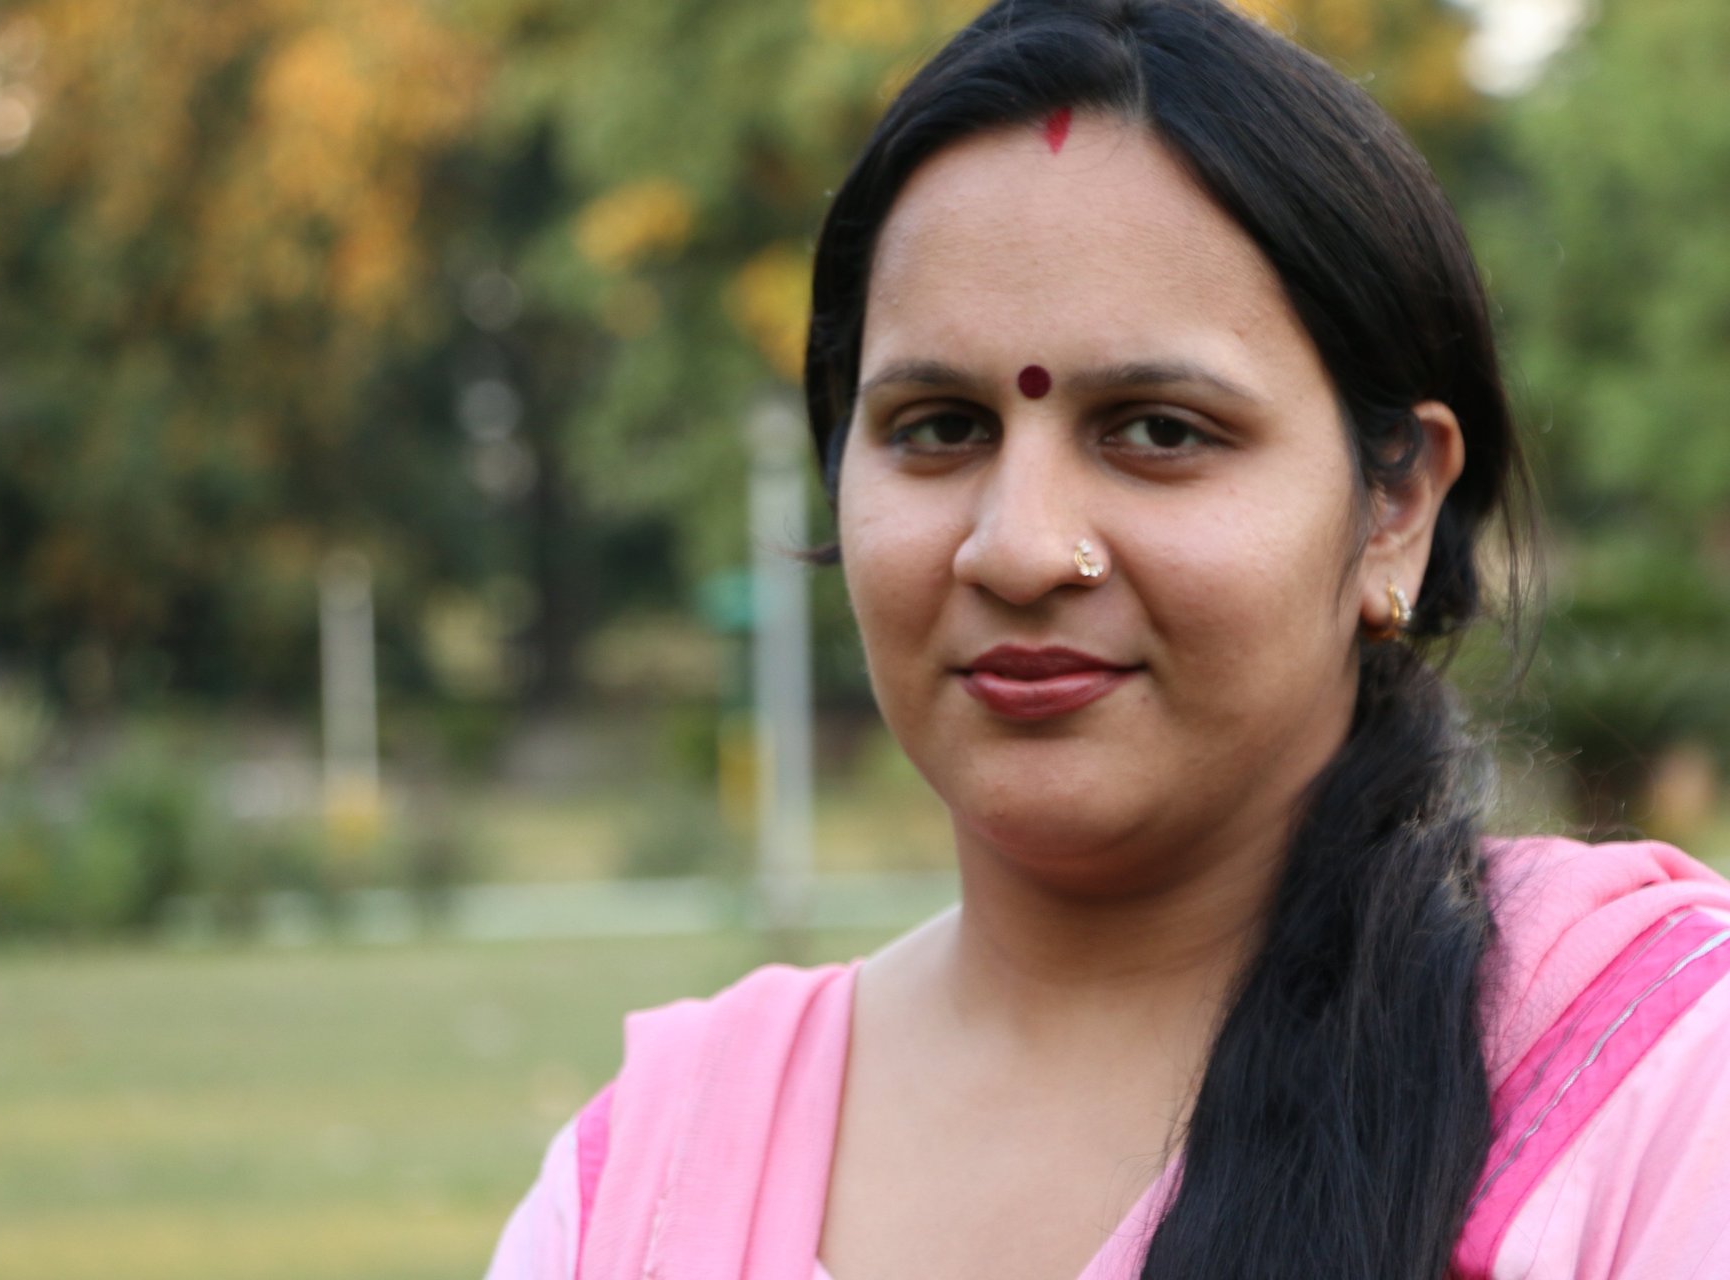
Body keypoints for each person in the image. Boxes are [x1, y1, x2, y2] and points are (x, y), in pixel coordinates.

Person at [485, 2, 1730, 1277]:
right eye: (938, 426)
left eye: (1158, 430)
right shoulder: (646, 1178)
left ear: (1396, 506)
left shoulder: (1654, 1082)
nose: (1020, 548)